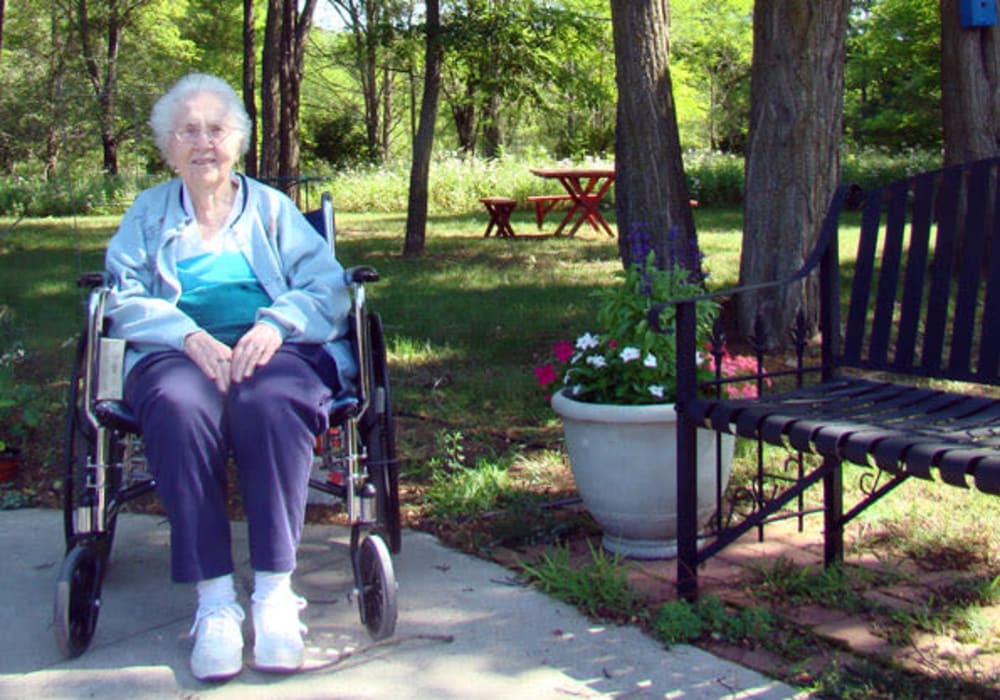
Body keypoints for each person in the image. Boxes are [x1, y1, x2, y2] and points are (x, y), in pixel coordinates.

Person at [103, 73, 355, 682]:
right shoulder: (147, 213)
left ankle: (273, 594)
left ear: (236, 143)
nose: (203, 143)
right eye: (188, 131)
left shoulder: (271, 208)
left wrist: (276, 324)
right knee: (178, 406)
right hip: (178, 350)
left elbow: (325, 284)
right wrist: (186, 335)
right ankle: (214, 602)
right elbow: (121, 294)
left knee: (268, 401)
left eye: (216, 129)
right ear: (169, 146)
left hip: (275, 349)